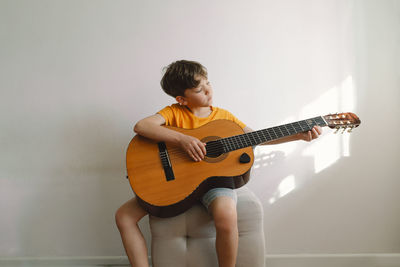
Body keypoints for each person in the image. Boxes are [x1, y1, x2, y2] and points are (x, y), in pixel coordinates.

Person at [115, 60, 322, 267]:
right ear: (182, 99)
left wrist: (298, 136)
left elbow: (256, 137)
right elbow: (142, 126)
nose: (208, 90)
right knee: (123, 216)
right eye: (198, 88)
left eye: (208, 83)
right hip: (176, 185)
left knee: (226, 217)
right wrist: (182, 139)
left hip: (216, 182)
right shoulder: (173, 113)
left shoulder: (224, 118)